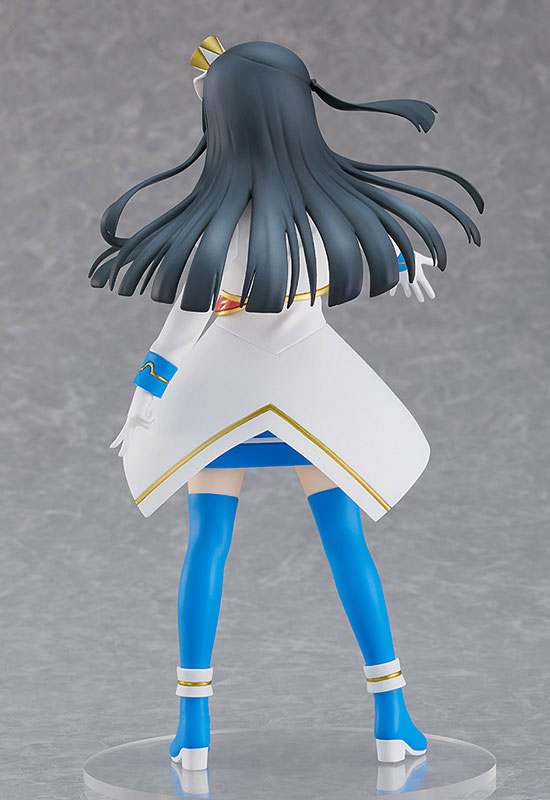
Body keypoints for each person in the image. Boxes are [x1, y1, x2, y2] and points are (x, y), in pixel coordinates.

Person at [90, 37, 483, 771]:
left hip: (222, 400)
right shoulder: (321, 216)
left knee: (209, 542)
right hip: (311, 396)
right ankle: (392, 715)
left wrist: (143, 400)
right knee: (344, 540)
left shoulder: (218, 233)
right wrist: (404, 255)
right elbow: (365, 247)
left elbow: (177, 334)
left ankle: (193, 729)